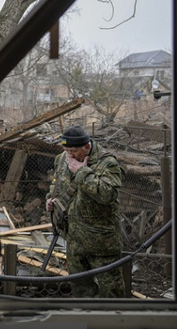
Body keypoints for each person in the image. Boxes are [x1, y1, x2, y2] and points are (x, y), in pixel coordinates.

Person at [46, 125, 125, 298]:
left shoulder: (107, 163)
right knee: (80, 289)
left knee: (111, 291)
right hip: (73, 238)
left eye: (73, 151)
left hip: (100, 241)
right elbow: (56, 183)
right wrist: (51, 199)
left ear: (87, 147)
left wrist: (81, 171)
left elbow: (108, 194)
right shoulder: (62, 159)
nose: (69, 155)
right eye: (66, 150)